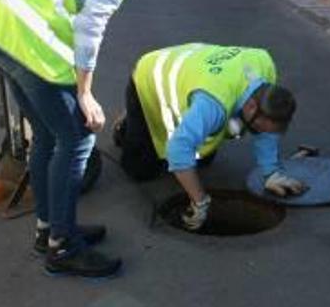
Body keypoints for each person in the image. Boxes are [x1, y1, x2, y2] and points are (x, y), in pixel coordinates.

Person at [0, 0, 177, 278]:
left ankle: (49, 230)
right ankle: (63, 247)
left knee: (47, 136)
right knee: (79, 139)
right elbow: (90, 26)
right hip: (29, 47)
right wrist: (84, 93)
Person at [114, 43, 307, 230]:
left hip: (196, 72)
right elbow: (178, 149)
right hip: (152, 76)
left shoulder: (264, 66)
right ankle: (128, 122)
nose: (259, 131)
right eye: (257, 125)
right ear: (251, 107)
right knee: (139, 169)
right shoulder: (213, 104)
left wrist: (271, 173)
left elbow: (266, 131)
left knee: (202, 160)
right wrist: (199, 200)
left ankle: (182, 125)